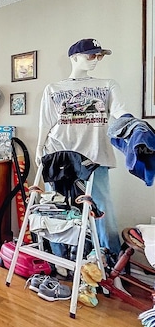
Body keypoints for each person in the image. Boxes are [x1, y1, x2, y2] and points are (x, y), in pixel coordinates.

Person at [35, 38, 127, 259]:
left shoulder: (107, 85)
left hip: (95, 157)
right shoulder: (53, 89)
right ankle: (59, 260)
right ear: (74, 58)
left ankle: (110, 263)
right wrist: (39, 149)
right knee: (57, 209)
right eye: (91, 55)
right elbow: (45, 123)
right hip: (58, 158)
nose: (96, 60)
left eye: (99, 55)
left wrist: (133, 127)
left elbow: (121, 112)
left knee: (103, 211)